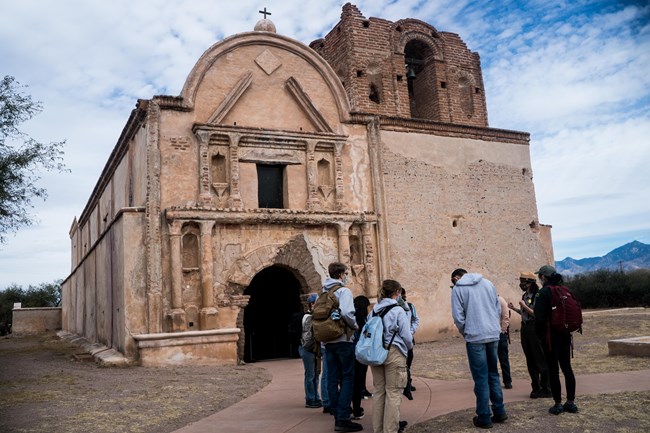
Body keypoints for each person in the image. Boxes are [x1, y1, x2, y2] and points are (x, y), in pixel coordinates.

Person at [451, 268, 507, 429]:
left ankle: (484, 416)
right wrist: (493, 325)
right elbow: (497, 307)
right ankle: (499, 410)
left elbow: (458, 316)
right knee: (493, 373)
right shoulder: (488, 283)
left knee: (481, 377)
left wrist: (466, 331)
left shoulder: (458, 288)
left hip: (475, 336)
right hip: (492, 333)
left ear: (456, 277)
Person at [322, 262, 362, 432]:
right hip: (343, 339)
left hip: (328, 341)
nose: (346, 276)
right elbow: (346, 312)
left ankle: (337, 413)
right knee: (347, 377)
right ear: (341, 275)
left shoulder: (323, 292)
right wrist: (354, 325)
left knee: (332, 378)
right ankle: (343, 418)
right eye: (346, 273)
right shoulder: (343, 291)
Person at [534, 265, 578, 415]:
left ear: (544, 277)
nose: (539, 279)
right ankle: (571, 402)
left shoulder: (543, 293)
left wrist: (539, 336)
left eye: (540, 276)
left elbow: (539, 318)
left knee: (553, 370)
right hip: (565, 334)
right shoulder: (564, 290)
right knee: (567, 368)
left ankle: (558, 403)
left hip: (550, 337)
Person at [370, 279, 413, 433]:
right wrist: (409, 348)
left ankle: (378, 429)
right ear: (397, 292)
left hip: (376, 352)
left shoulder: (374, 309)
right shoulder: (398, 310)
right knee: (394, 393)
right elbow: (406, 335)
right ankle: (390, 430)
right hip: (394, 351)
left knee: (379, 392)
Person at [508, 272, 551, 398]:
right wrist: (515, 309)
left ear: (530, 283)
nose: (521, 284)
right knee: (530, 359)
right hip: (525, 328)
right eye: (521, 282)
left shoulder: (538, 295)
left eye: (524, 282)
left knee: (540, 358)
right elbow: (525, 314)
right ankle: (535, 387)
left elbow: (536, 314)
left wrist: (523, 305)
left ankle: (546, 388)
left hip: (534, 328)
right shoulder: (525, 295)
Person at [299, 293, 322, 408]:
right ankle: (310, 398)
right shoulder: (308, 317)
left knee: (316, 374)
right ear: (312, 304)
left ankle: (316, 397)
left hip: (313, 349)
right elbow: (307, 336)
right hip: (308, 349)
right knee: (310, 374)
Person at [352, 295, 371, 420]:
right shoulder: (360, 318)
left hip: (353, 351)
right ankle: (357, 409)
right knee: (356, 380)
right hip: (358, 352)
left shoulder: (354, 316)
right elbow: (365, 334)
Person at [399, 288, 419, 397]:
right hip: (397, 341)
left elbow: (416, 319)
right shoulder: (394, 308)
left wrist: (411, 331)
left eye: (403, 295)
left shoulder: (410, 306)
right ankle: (402, 383)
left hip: (408, 339)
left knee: (408, 361)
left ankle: (408, 381)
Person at [497, 294, 512, 389]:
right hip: (492, 334)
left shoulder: (500, 300)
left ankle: (507, 381)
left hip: (500, 334)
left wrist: (502, 331)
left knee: (503, 359)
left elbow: (506, 317)